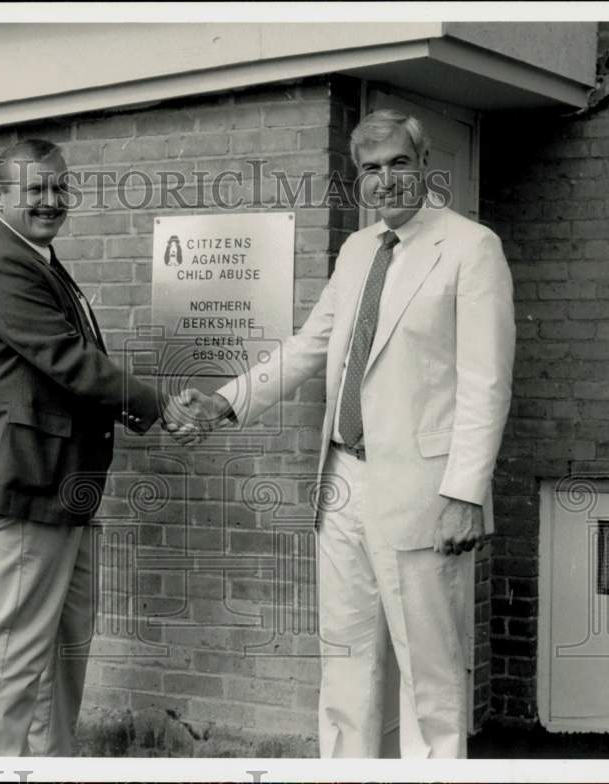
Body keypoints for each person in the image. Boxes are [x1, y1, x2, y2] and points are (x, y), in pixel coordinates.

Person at [178, 109, 515, 758]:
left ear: (423, 166)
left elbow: (487, 383)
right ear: (357, 180)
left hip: (427, 494)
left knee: (432, 682)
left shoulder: (472, 248)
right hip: (341, 486)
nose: (385, 181)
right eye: (370, 169)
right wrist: (226, 402)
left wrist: (466, 493)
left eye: (397, 164)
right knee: (347, 663)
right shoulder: (358, 250)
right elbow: (311, 345)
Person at [0, 139, 189, 756]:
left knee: (63, 647)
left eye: (59, 188)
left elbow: (73, 366)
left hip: (62, 488)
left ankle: (49, 766)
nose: (51, 201)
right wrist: (158, 405)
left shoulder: (38, 258)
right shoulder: (4, 264)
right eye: (34, 191)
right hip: (29, 486)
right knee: (14, 654)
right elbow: (70, 362)